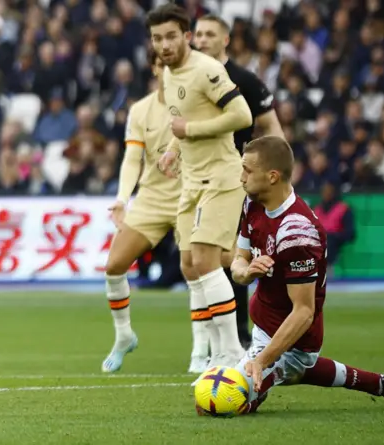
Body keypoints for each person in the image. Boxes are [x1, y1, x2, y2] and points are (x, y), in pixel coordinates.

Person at [222, 136, 384, 414]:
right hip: (265, 325)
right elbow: (237, 262)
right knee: (288, 374)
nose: (241, 177)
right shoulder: (252, 203)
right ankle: (383, 384)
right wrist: (247, 271)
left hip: (295, 339)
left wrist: (262, 361)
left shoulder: (296, 231)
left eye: (247, 170)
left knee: (224, 402)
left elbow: (303, 312)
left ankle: (268, 376)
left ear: (273, 176)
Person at [148, 3, 253, 370]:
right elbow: (182, 120)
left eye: (171, 36)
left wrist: (189, 132)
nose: (164, 45)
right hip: (191, 180)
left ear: (186, 36)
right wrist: (173, 151)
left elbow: (242, 115)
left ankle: (231, 352)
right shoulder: (167, 72)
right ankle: (255, 265)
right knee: (190, 264)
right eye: (157, 38)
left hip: (221, 177)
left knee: (206, 262)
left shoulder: (208, 70)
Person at [193, 14, 284, 352]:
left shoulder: (245, 80)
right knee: (198, 257)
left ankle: (239, 333)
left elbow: (272, 128)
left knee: (232, 254)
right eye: (198, 34)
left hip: (234, 176)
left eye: (209, 34)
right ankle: (210, 336)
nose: (201, 40)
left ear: (226, 39)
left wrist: (278, 172)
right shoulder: (185, 78)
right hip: (194, 177)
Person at [101, 53, 198, 372]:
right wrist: (121, 198)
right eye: (163, 64)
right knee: (114, 265)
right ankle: (124, 335)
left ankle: (202, 348)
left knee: (194, 269)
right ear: (155, 69)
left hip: (189, 194)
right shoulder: (140, 110)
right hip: (152, 197)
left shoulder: (194, 103)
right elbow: (132, 158)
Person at [313, 181, 355, 270]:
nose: (326, 194)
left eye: (329, 191)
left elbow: (350, 234)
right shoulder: (317, 209)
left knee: (328, 240)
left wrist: (333, 236)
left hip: (334, 241)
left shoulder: (344, 209)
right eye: (324, 191)